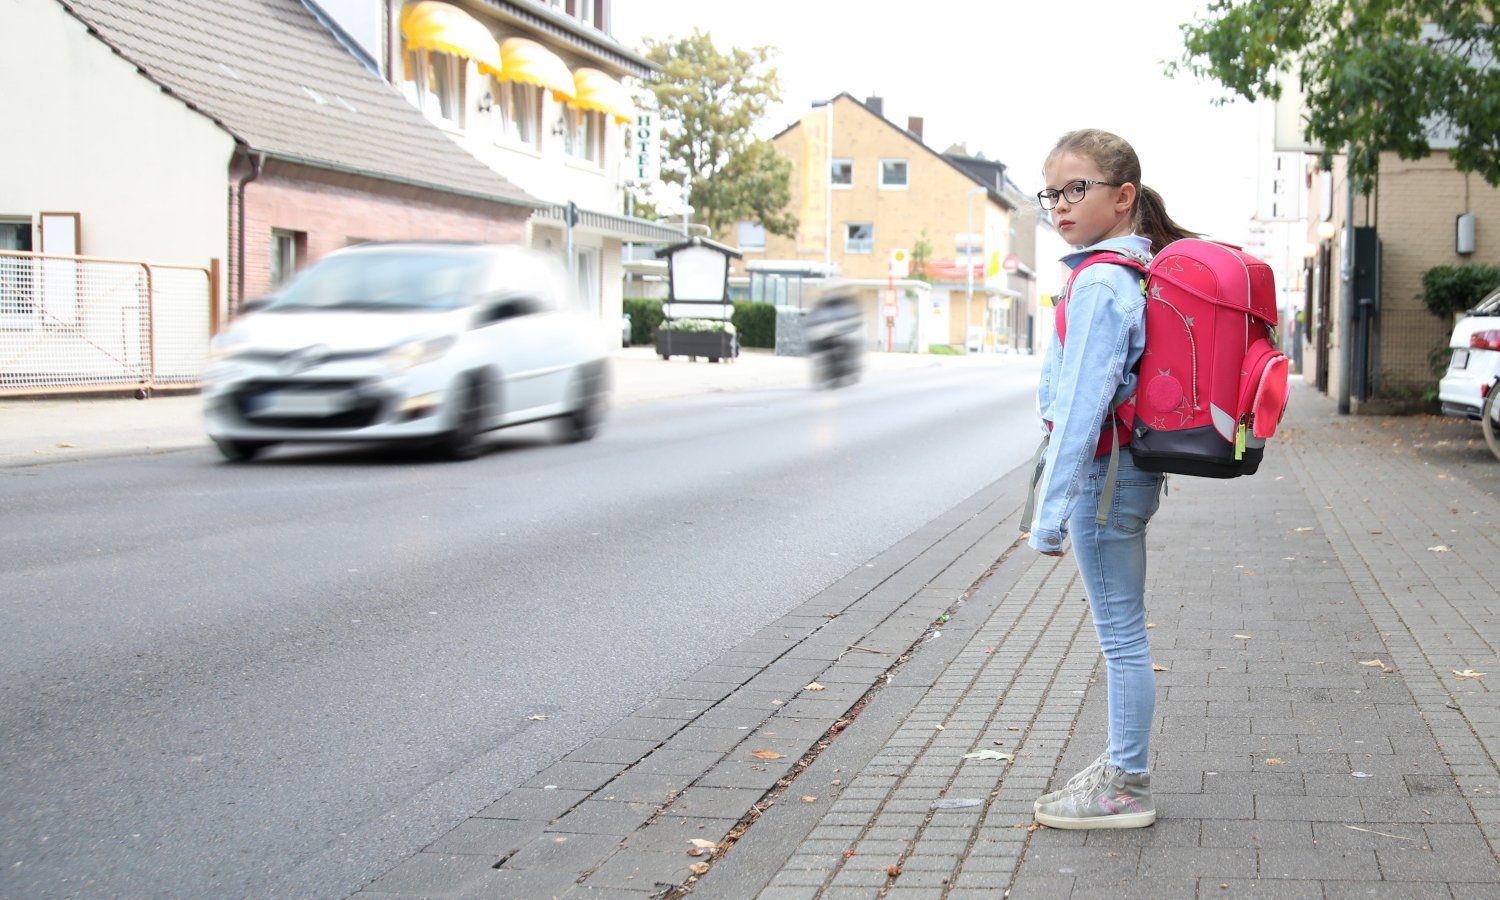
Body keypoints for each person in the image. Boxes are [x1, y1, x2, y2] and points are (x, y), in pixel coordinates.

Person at [1026, 128, 1196, 830]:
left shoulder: (1099, 280)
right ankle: (1123, 769)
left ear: (1123, 197)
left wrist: (1048, 511)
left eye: (1077, 189)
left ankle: (1126, 785)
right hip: (1124, 475)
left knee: (1121, 637)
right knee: (1123, 632)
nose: (1060, 205)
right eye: (1052, 192)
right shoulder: (1126, 269)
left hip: (1104, 479)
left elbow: (1080, 408)